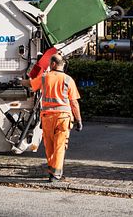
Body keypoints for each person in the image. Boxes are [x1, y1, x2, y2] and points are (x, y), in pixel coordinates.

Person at [23, 53, 82, 182]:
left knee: (49, 145)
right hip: (63, 118)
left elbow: (31, 84)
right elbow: (74, 103)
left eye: (50, 63)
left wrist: (19, 81)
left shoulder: (45, 78)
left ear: (53, 64)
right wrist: (78, 120)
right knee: (60, 145)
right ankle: (56, 174)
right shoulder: (68, 80)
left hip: (47, 117)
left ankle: (52, 171)